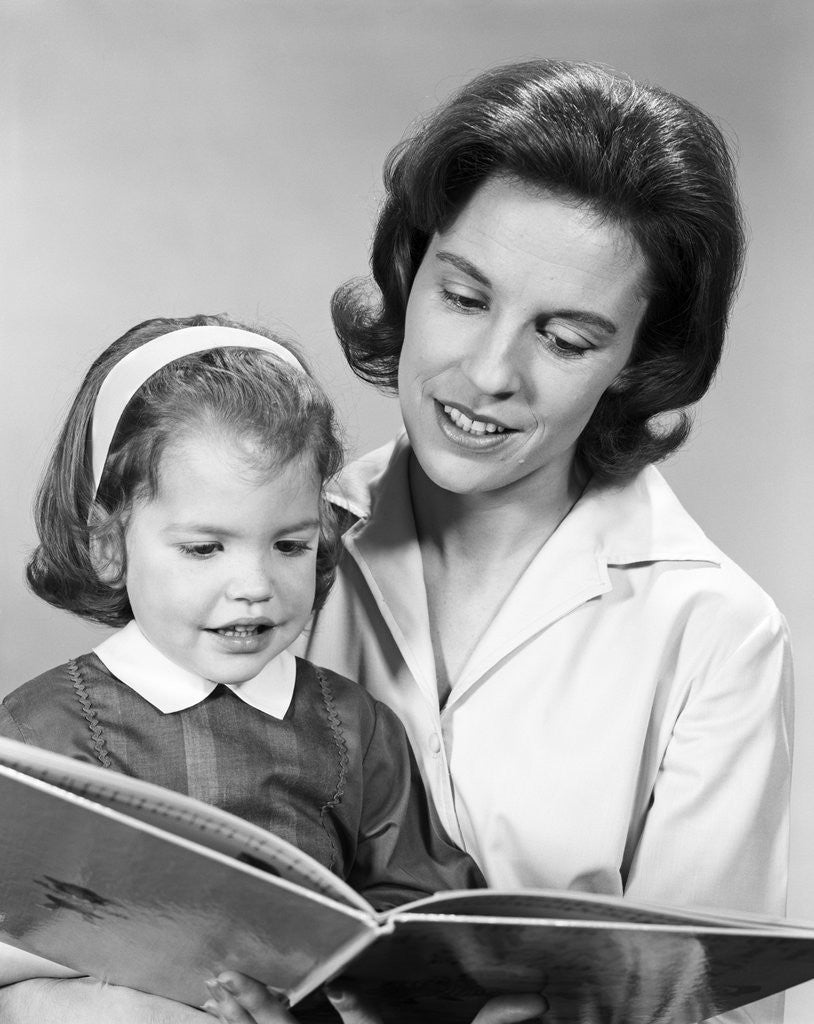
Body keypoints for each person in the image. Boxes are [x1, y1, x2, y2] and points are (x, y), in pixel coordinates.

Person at [209, 57, 793, 1024]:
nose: (487, 373)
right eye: (466, 297)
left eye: (563, 340)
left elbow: (704, 1006)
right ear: (411, 267)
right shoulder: (270, 551)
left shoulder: (714, 635)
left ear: (638, 361)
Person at [0, 313, 508, 1021]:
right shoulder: (42, 728)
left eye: (289, 545)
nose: (255, 586)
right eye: (206, 548)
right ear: (111, 545)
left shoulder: (354, 730)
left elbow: (424, 911)